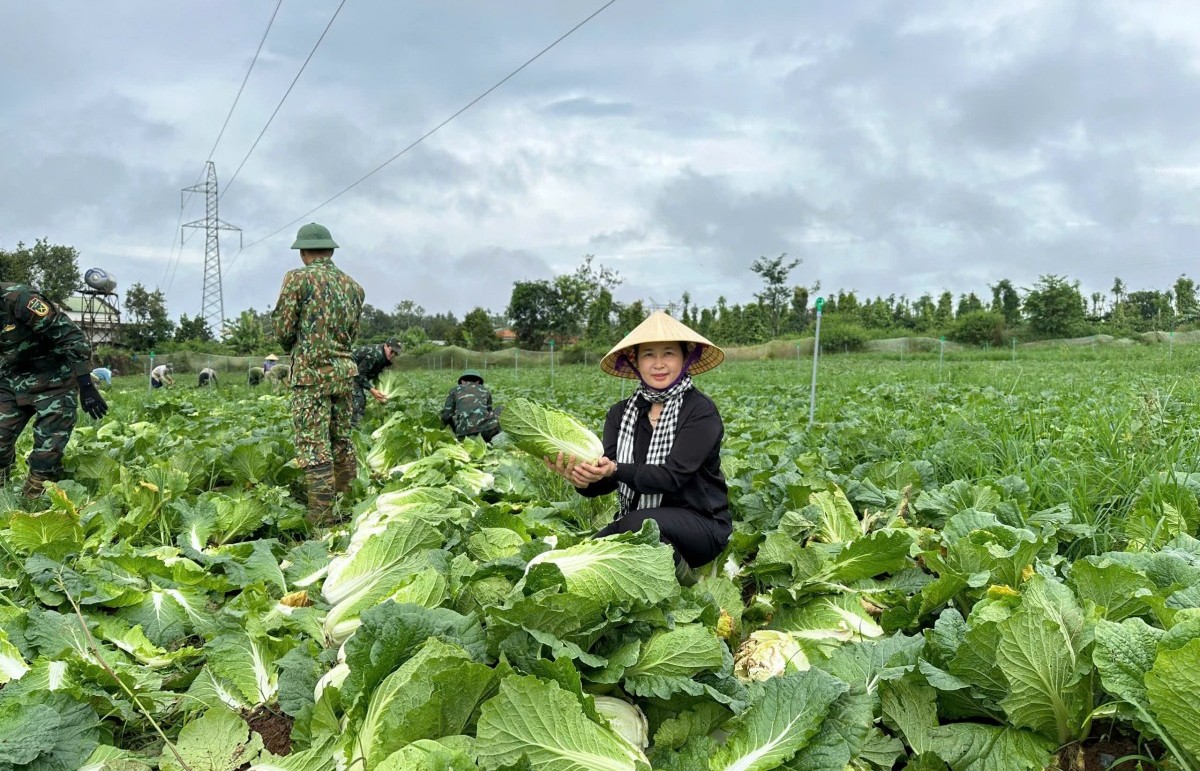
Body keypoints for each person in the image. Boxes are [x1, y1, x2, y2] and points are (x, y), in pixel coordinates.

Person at [545, 311, 730, 580]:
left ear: (685, 358)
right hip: (641, 522)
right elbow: (607, 480)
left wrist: (614, 470)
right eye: (648, 355)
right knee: (591, 554)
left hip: (701, 526)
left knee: (637, 525)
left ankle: (691, 585)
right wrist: (583, 478)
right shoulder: (620, 414)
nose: (658, 364)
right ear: (636, 363)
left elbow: (671, 477)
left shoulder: (700, 411)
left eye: (668, 353)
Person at [272, 222, 364, 525]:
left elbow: (284, 329)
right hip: (344, 374)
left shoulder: (298, 279)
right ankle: (348, 501)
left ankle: (322, 517)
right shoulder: (353, 286)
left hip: (311, 375)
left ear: (302, 252)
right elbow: (352, 333)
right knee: (341, 438)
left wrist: (297, 347)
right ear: (330, 249)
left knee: (313, 445)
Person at [0, 281, 108, 497]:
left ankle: (33, 503)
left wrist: (86, 386)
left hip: (54, 380)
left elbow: (72, 338)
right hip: (12, 379)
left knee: (46, 455)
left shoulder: (20, 300)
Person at [440, 370, 501, 442]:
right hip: (485, 432)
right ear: (478, 381)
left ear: (462, 381)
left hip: (462, 433)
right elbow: (489, 410)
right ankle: (497, 440)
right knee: (501, 409)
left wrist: (454, 428)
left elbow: (446, 415)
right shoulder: (485, 390)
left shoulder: (454, 390)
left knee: (443, 413)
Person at [350, 338, 399, 426]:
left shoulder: (383, 357)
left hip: (355, 375)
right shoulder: (374, 355)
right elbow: (358, 375)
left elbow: (374, 373)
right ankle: (354, 428)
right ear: (386, 346)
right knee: (359, 400)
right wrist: (372, 390)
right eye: (392, 351)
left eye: (395, 353)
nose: (393, 355)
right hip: (347, 375)